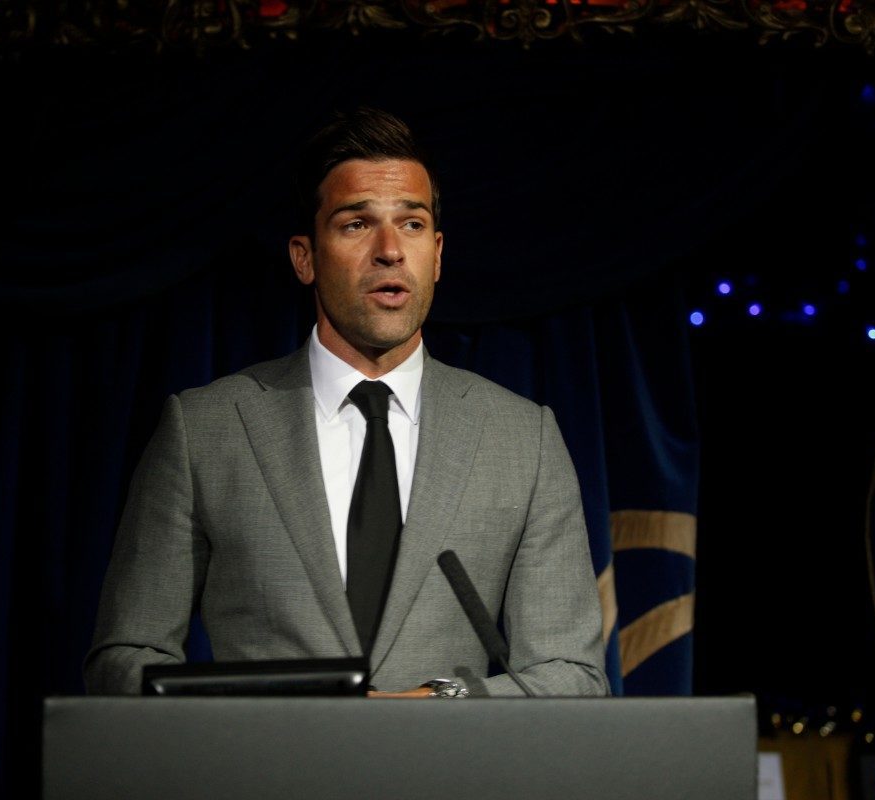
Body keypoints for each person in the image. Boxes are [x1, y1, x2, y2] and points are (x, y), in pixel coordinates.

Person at [84, 107, 608, 698]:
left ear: (437, 253)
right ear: (305, 257)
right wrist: (255, 716)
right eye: (357, 224)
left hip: (448, 760)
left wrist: (446, 701)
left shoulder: (522, 439)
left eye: (411, 224)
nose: (390, 250)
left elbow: (572, 674)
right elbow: (125, 659)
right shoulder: (205, 429)